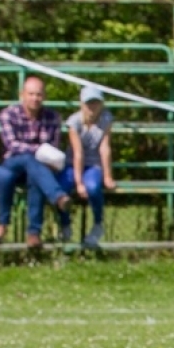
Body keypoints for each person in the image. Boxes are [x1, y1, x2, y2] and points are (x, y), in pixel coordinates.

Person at [0, 75, 70, 248]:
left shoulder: (52, 117)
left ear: (44, 96)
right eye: (31, 94)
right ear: (22, 95)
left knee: (36, 173)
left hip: (39, 168)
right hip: (13, 165)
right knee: (29, 159)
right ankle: (57, 196)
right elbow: (11, 145)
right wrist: (38, 150)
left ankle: (33, 234)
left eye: (39, 94)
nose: (35, 98)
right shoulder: (8, 114)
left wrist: (42, 154)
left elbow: (53, 148)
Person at [58, 84, 116, 249]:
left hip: (93, 164)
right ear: (81, 104)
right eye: (89, 103)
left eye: (96, 102)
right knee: (61, 188)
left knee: (93, 187)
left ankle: (98, 224)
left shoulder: (106, 119)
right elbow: (78, 153)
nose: (92, 107)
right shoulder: (74, 122)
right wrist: (78, 183)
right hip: (73, 163)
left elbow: (105, 147)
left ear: (101, 104)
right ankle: (65, 225)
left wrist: (107, 176)